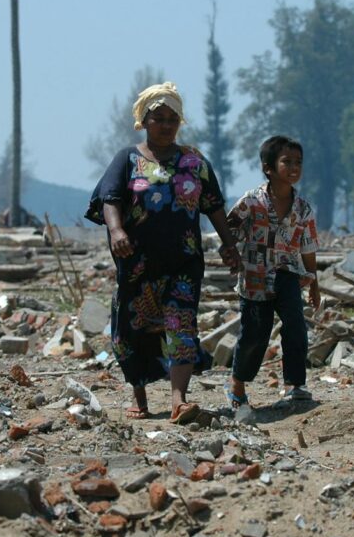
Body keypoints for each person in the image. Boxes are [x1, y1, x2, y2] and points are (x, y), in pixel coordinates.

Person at [85, 82, 241, 423]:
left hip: (183, 262)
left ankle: (178, 400)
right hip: (137, 263)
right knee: (132, 328)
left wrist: (230, 245)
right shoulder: (127, 159)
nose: (167, 125)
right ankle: (139, 397)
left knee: (181, 325)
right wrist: (116, 230)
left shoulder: (194, 161)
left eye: (173, 118)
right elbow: (109, 198)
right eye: (159, 118)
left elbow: (213, 207)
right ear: (144, 120)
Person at [225, 135, 321, 408]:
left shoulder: (303, 209)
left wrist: (314, 283)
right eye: (286, 161)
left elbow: (308, 248)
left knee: (295, 326)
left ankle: (295, 384)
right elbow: (230, 232)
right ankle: (238, 382)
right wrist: (230, 254)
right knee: (255, 333)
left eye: (298, 162)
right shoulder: (251, 201)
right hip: (255, 277)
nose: (294, 168)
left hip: (288, 274)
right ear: (268, 167)